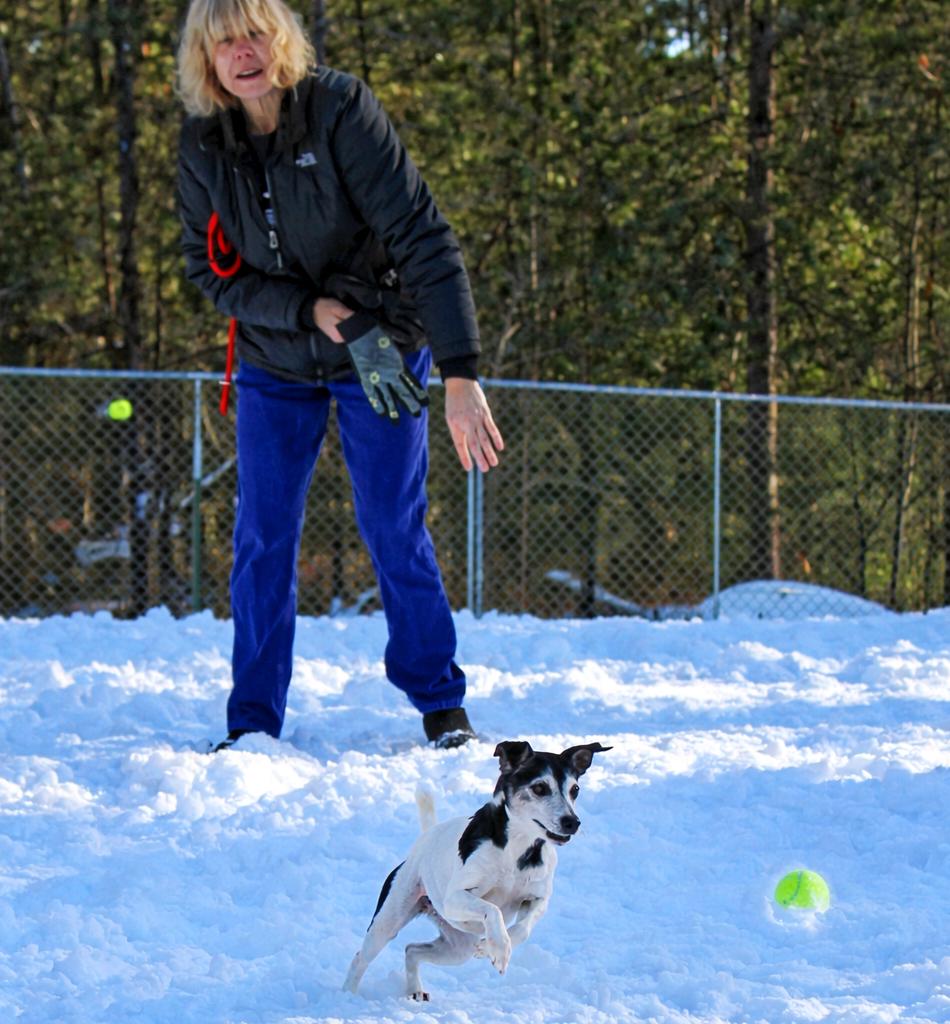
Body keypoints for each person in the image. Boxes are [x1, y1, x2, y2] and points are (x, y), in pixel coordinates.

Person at [176, 0, 503, 750]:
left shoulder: (340, 110)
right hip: (274, 355)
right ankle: (253, 721)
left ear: (281, 38)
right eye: (225, 41)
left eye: (255, 32)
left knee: (393, 522)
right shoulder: (203, 145)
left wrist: (460, 374)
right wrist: (311, 311)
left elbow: (423, 237)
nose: (243, 52)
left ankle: (440, 703)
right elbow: (208, 271)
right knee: (262, 535)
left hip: (380, 346)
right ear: (207, 58)